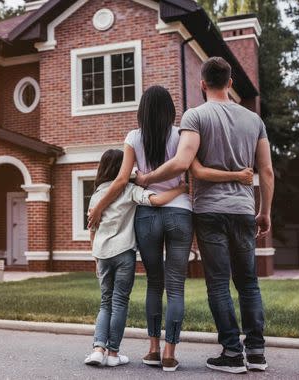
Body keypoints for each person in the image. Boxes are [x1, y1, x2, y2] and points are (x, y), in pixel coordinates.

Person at [87, 86, 252, 372]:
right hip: (180, 212)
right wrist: (183, 187)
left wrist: (99, 206)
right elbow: (194, 169)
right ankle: (169, 354)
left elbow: (121, 180)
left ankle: (151, 350)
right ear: (170, 111)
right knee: (175, 287)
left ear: (142, 110)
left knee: (154, 283)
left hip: (147, 216)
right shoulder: (182, 135)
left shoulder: (133, 137)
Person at [134, 57, 275, 374]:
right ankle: (256, 352)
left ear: (202, 84)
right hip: (243, 211)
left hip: (210, 211)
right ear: (230, 83)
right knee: (249, 283)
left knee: (219, 285)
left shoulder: (195, 116)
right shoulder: (254, 121)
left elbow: (183, 163)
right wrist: (264, 211)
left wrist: (147, 178)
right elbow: (266, 170)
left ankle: (231, 353)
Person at [84, 149, 188, 367]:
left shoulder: (96, 195)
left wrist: (95, 258)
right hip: (124, 254)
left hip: (102, 255)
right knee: (120, 302)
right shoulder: (130, 190)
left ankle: (97, 349)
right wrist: (180, 189)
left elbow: (92, 230)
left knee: (105, 303)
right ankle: (113, 354)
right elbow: (157, 201)